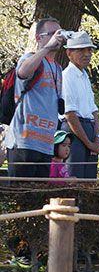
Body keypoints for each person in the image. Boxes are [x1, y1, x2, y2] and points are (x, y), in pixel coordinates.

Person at [6, 18, 66, 179]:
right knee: (22, 195)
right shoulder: (29, 58)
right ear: (39, 38)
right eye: (52, 33)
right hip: (24, 141)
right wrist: (47, 48)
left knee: (39, 197)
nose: (57, 37)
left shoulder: (58, 68)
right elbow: (23, 72)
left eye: (59, 33)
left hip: (46, 144)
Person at [61, 32, 99, 179]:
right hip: (74, 132)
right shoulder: (66, 76)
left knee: (90, 181)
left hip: (89, 129)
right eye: (80, 50)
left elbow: (94, 111)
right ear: (69, 53)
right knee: (74, 179)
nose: (87, 54)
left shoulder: (85, 76)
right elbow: (70, 115)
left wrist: (97, 138)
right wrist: (89, 143)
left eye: (89, 50)